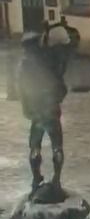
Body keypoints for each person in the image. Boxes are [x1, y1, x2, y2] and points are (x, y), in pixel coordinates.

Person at [19, 32, 68, 199]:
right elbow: (61, 85)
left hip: (37, 113)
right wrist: (56, 99)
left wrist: (27, 109)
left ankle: (36, 179)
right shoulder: (49, 61)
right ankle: (57, 179)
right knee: (57, 146)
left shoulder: (24, 65)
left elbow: (22, 90)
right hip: (51, 110)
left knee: (35, 146)